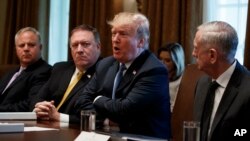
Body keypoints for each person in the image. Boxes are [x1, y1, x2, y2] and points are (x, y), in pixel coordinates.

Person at [75, 12, 171, 139]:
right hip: (106, 136)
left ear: (141, 42)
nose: (115, 39)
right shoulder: (105, 64)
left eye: (123, 34)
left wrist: (97, 99)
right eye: (114, 33)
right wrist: (106, 121)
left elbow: (124, 110)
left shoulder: (154, 70)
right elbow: (81, 102)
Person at [192, 21, 250, 141]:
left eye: (196, 48)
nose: (193, 54)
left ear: (212, 55)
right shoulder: (201, 84)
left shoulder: (247, 89)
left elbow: (244, 133)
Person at [32, 24, 102, 124]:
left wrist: (59, 117)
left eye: (85, 44)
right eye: (74, 45)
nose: (79, 50)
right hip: (43, 125)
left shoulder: (104, 73)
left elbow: (97, 118)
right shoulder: (60, 68)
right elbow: (37, 99)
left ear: (98, 47)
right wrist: (40, 108)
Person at [0, 27, 52, 112]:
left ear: (40, 47)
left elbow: (30, 104)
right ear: (16, 49)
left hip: (17, 122)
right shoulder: (11, 73)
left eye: (31, 45)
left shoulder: (44, 71)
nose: (26, 49)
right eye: (21, 45)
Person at [157, 43, 185, 112]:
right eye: (160, 59)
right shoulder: (156, 76)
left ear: (176, 62)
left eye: (167, 60)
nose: (161, 63)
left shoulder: (183, 81)